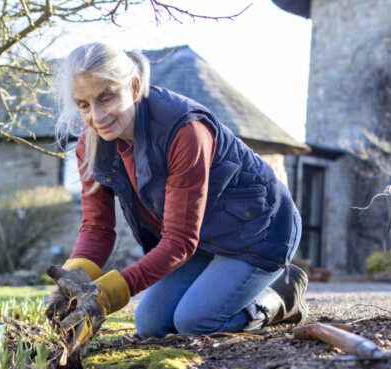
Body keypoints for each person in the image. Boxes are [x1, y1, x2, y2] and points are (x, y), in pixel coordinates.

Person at [45, 42, 307, 349]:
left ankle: (281, 295)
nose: (97, 116)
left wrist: (108, 295)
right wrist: (73, 282)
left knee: (194, 322)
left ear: (133, 85)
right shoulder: (91, 145)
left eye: (106, 97)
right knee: (151, 324)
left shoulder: (185, 129)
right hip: (204, 241)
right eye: (84, 104)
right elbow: (96, 228)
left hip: (259, 232)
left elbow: (180, 241)